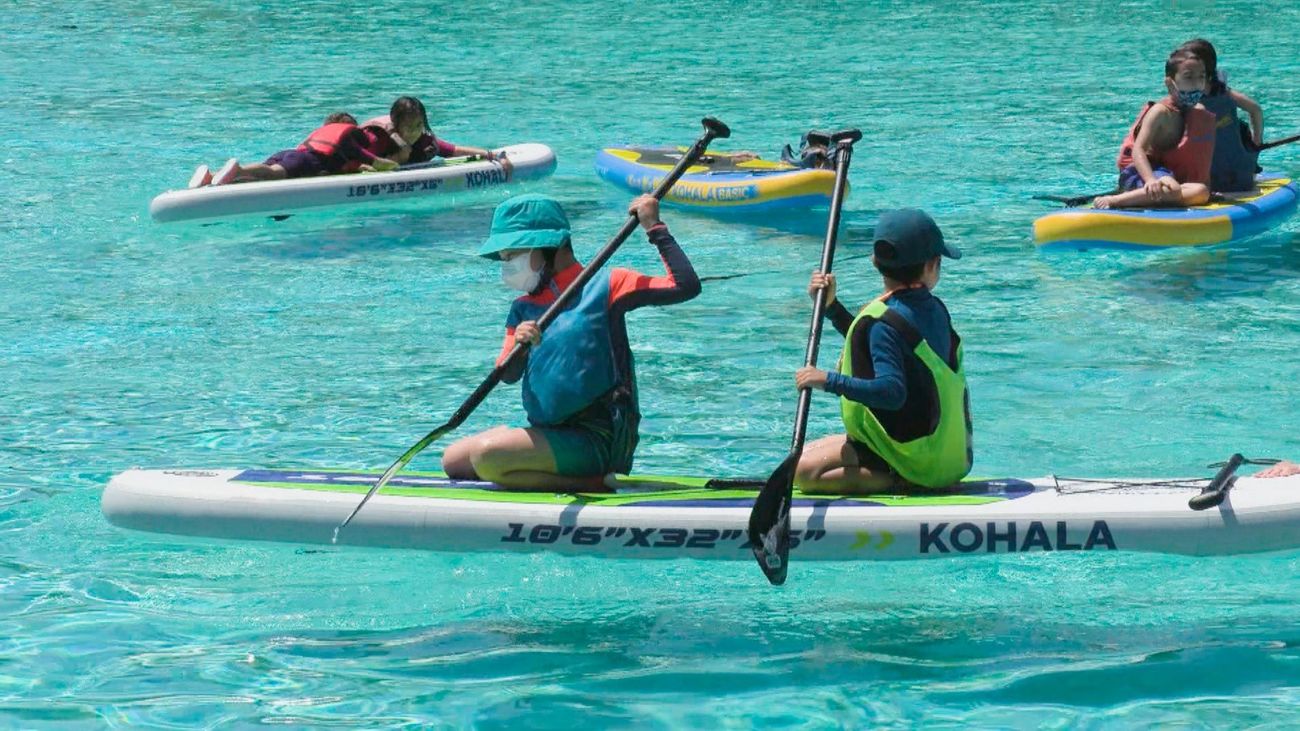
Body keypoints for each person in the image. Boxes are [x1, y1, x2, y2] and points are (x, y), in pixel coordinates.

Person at [441, 193, 701, 490]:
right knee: (453, 461)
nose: (508, 265)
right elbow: (508, 375)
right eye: (504, 258)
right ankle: (518, 455)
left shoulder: (609, 284)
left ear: (553, 246)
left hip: (596, 436)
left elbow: (685, 286)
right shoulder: (522, 308)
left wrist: (654, 226)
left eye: (514, 254)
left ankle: (592, 483)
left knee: (487, 457)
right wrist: (519, 350)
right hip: (549, 433)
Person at [792, 208, 972, 493]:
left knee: (803, 474)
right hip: (946, 455)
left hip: (921, 465)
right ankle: (897, 469)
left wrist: (827, 380)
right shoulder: (933, 308)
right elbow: (878, 341)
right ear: (931, 266)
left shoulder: (885, 319)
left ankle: (899, 479)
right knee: (808, 453)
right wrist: (831, 308)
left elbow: (891, 393)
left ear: (874, 262)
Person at [1093, 49, 1216, 210]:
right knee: (1172, 188)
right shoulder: (1160, 112)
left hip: (1164, 175)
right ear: (1170, 83)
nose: (1196, 83)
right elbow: (1138, 150)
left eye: (1201, 77)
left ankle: (1157, 198)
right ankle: (1113, 201)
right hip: (1139, 171)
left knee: (1201, 191)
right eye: (1188, 77)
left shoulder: (1193, 111)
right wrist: (1150, 179)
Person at [195, 112, 400, 187]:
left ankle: (211, 176)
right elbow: (381, 165)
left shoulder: (321, 141)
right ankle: (239, 170)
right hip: (304, 162)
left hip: (288, 154)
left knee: (263, 178)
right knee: (273, 174)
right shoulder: (349, 145)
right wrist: (398, 161)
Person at [1180, 38, 1264, 192]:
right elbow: (1255, 109)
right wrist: (1256, 141)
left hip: (1204, 182)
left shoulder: (1184, 99)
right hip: (1241, 178)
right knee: (1242, 129)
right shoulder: (1224, 92)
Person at [363, 96, 511, 176]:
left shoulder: (425, 142)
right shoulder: (377, 138)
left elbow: (454, 150)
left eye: (419, 125)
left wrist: (494, 155)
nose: (415, 131)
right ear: (395, 124)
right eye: (408, 126)